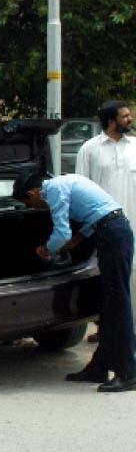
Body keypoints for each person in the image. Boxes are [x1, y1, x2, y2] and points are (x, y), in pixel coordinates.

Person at [12, 171, 136, 392]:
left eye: (30, 203)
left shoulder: (55, 190)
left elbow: (61, 233)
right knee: (109, 304)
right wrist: (79, 239)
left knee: (117, 304)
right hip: (111, 229)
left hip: (113, 234)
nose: (34, 208)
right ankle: (100, 366)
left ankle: (128, 372)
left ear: (33, 193)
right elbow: (97, 214)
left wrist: (46, 249)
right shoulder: (65, 182)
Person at [75, 101, 136, 341]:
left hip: (132, 221)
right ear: (111, 121)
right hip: (104, 226)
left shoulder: (135, 146)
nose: (129, 119)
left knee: (132, 277)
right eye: (125, 116)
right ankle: (107, 330)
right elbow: (81, 187)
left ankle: (129, 331)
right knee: (105, 277)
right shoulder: (90, 149)